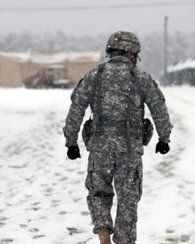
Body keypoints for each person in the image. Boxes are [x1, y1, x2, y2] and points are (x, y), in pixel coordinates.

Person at [63, 31, 173, 244]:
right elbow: (158, 106)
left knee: (98, 194)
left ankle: (103, 230)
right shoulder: (140, 78)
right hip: (129, 152)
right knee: (128, 201)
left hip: (99, 150)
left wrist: (71, 141)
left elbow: (76, 107)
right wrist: (164, 138)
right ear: (130, 53)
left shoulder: (94, 75)